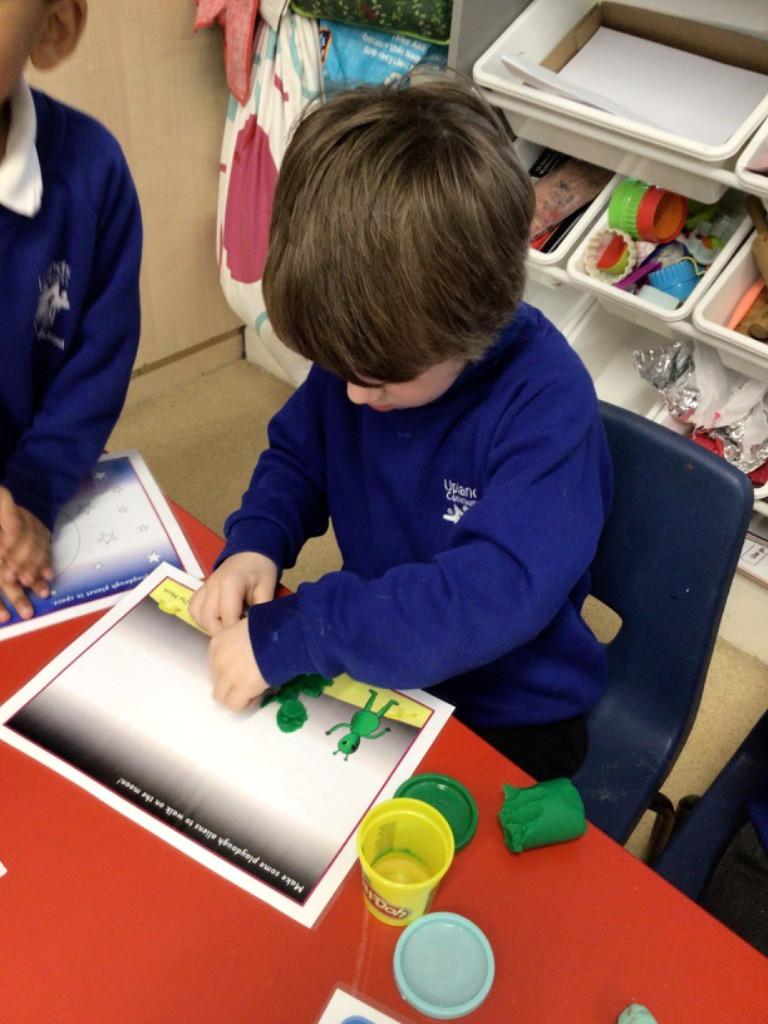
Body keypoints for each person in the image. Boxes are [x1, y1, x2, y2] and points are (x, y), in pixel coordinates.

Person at [189, 75, 612, 780]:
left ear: (476, 320)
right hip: (382, 667)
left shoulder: (547, 403)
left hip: (508, 712)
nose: (354, 393)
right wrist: (256, 543)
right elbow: (299, 457)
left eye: (382, 379)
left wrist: (309, 627)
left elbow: (487, 596)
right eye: (338, 369)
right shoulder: (371, 352)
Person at [0, 0, 142, 623]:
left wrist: (31, 493)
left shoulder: (93, 172)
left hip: (38, 491)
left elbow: (96, 368)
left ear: (53, 26)